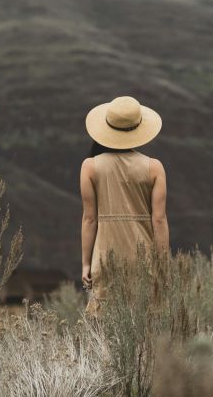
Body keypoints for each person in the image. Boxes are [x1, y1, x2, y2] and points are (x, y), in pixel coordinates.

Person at [80, 95, 170, 317]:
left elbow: (89, 219)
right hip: (144, 260)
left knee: (106, 332)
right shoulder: (154, 168)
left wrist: (85, 263)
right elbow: (159, 220)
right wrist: (163, 264)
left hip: (105, 258)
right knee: (145, 326)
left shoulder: (90, 167)